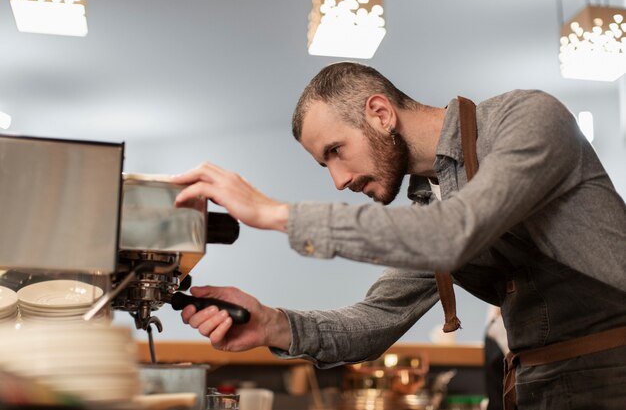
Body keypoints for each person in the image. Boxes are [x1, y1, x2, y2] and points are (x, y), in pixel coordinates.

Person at [171, 62, 626, 410]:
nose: (338, 179)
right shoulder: (432, 208)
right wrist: (271, 322)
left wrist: (272, 212)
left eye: (336, 151)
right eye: (324, 163)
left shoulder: (526, 118)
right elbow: (373, 321)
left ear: (381, 112)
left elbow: (455, 234)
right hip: (536, 390)